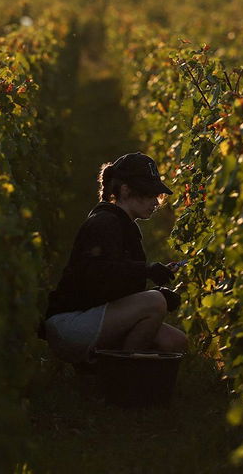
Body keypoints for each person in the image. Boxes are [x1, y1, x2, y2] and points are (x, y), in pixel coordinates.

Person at [42, 152, 188, 365]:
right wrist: (147, 273)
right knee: (155, 303)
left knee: (175, 342)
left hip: (90, 317)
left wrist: (154, 286)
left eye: (157, 195)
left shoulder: (123, 224)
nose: (155, 202)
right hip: (70, 323)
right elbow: (97, 276)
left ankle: (103, 369)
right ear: (125, 190)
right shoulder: (105, 223)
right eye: (148, 194)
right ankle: (119, 376)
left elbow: (113, 286)